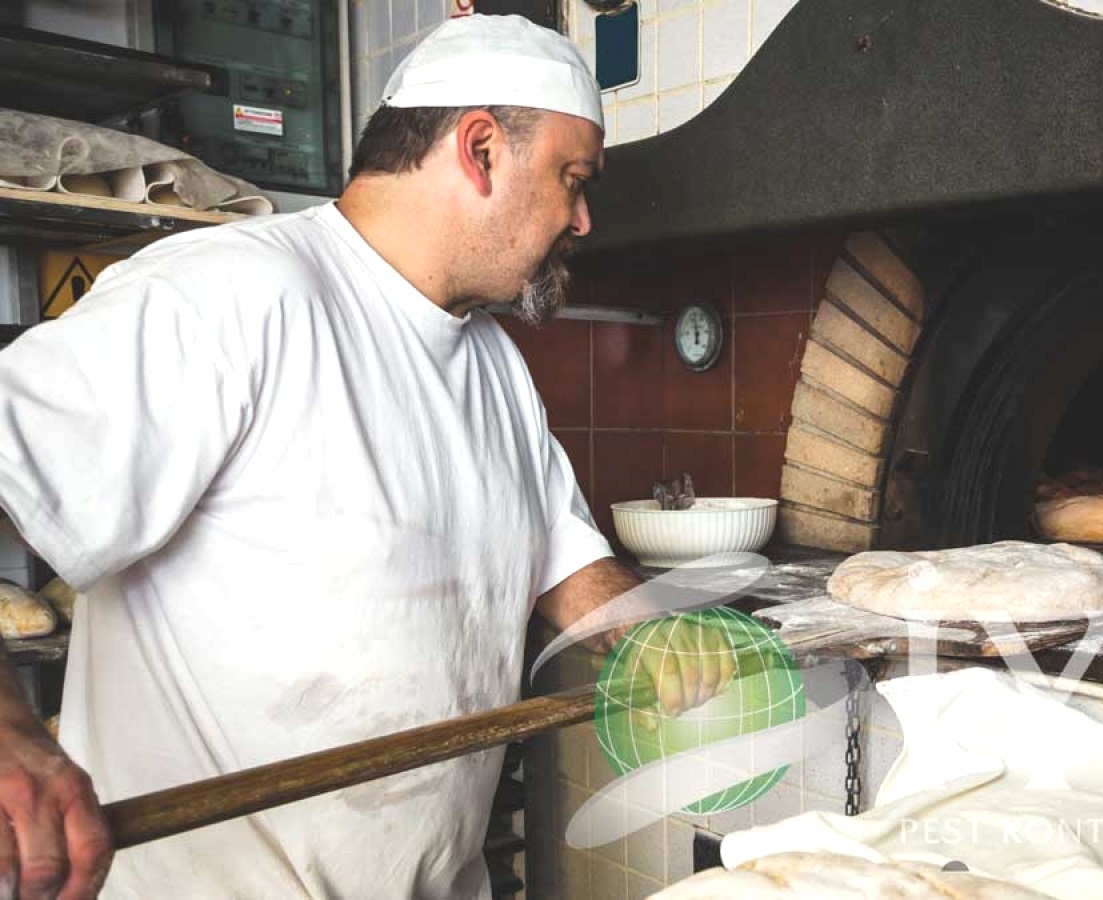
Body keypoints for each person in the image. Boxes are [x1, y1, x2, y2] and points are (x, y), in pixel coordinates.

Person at [0, 15, 731, 898]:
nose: (582, 217)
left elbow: (561, 564)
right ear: (480, 149)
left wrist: (652, 627)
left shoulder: (494, 364)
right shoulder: (230, 295)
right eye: (571, 179)